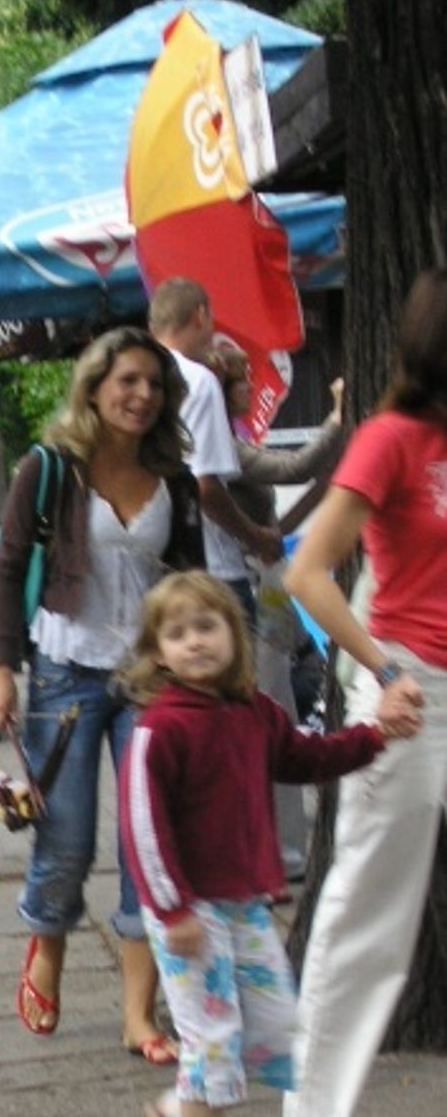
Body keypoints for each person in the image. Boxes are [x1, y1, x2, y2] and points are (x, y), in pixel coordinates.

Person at [120, 571, 388, 1117]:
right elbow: (142, 827)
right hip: (191, 912)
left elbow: (302, 758)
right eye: (177, 633)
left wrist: (376, 736)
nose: (195, 642)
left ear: (233, 637)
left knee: (270, 1029)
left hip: (244, 902)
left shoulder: (251, 712)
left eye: (207, 626)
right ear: (157, 653)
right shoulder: (161, 728)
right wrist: (171, 908)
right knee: (212, 1038)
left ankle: (178, 1111)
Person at [0, 326, 205, 1057]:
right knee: (67, 837)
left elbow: (193, 585)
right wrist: (2, 667)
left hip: (151, 681)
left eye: (155, 385)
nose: (141, 396)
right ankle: (47, 944)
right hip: (64, 673)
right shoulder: (49, 469)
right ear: (96, 385)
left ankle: (139, 1014)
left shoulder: (176, 478)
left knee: (148, 844)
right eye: (128, 381)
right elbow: (10, 570)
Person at [279, 267, 446, 1117]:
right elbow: (308, 574)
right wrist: (384, 674)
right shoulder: (390, 440)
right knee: (370, 904)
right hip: (413, 695)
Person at [217, 352, 347, 878]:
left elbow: (279, 508)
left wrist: (275, 538)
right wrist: (337, 418)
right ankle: (283, 847)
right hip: (252, 579)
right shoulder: (222, 446)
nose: (252, 387)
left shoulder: (228, 437)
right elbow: (293, 468)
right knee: (273, 703)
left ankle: (280, 844)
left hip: (261, 575)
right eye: (242, 380)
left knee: (275, 701)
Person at [148, 278, 283, 621]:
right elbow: (204, 486)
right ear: (200, 315)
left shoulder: (133, 378)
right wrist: (255, 537)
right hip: (212, 567)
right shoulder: (196, 380)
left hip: (152, 567)